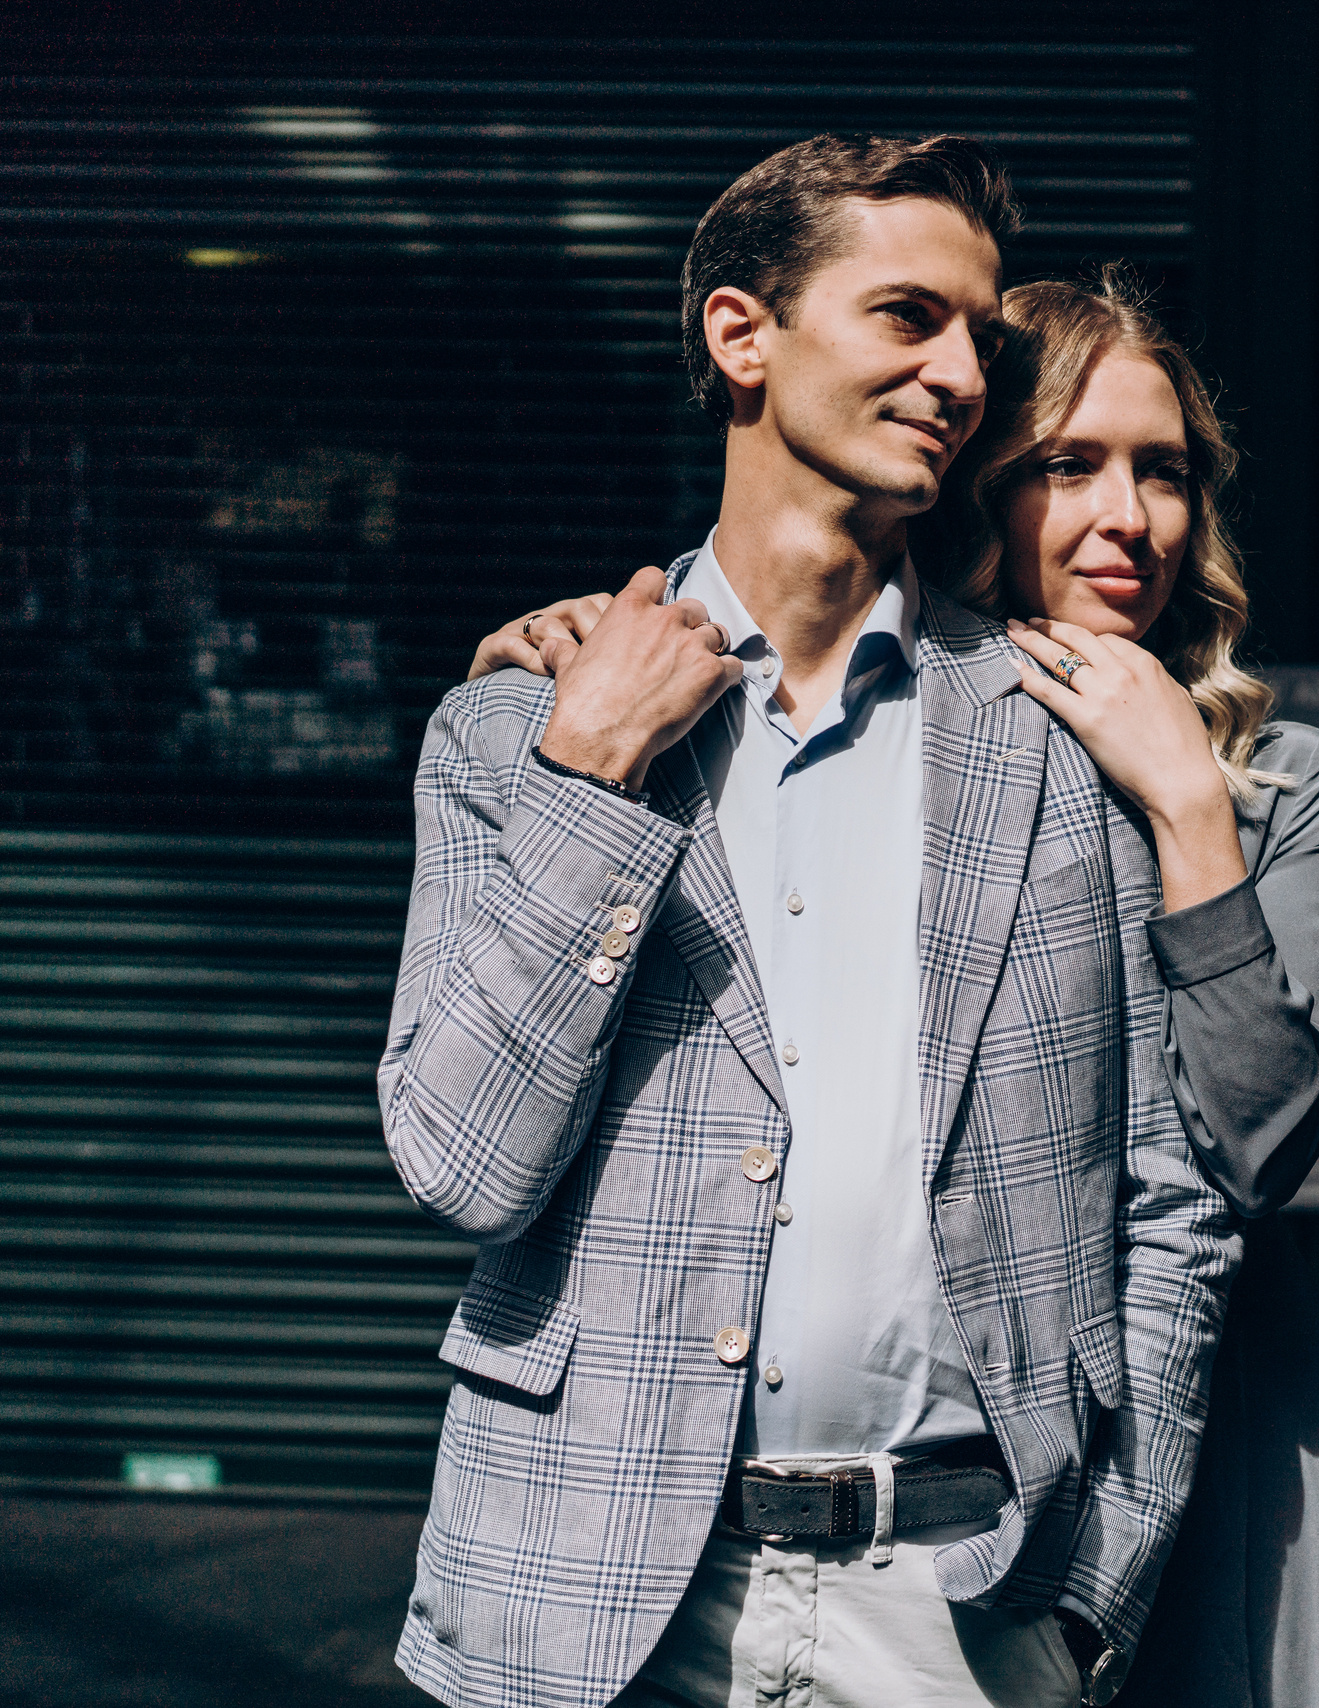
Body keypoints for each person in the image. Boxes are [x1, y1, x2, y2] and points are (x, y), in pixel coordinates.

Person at [382, 135, 1240, 1708]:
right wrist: (593, 779)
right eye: (908, 316)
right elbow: (459, 1163)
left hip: (964, 1612)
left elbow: (1170, 1203)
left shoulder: (1070, 738)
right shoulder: (517, 731)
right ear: (742, 335)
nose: (962, 374)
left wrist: (1096, 1591)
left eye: (980, 337)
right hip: (582, 1601)